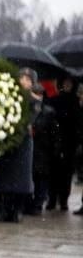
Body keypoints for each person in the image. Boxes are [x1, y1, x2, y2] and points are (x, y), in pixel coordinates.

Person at [0, 69, 36, 222]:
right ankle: (3, 209)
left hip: (23, 144)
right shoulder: (10, 96)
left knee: (20, 180)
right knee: (5, 178)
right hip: (8, 142)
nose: (24, 81)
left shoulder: (33, 100)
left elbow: (33, 119)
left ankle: (16, 210)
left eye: (28, 79)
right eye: (22, 78)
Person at [48, 75, 80, 211]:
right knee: (53, 172)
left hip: (70, 143)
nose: (67, 85)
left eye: (70, 83)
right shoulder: (55, 100)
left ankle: (63, 200)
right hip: (55, 141)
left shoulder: (76, 102)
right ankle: (52, 199)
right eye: (65, 82)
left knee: (66, 174)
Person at [28, 84, 59, 216]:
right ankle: (31, 203)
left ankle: (38, 204)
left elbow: (53, 133)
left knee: (41, 178)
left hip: (43, 149)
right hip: (33, 149)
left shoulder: (48, 112)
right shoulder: (29, 109)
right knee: (33, 177)